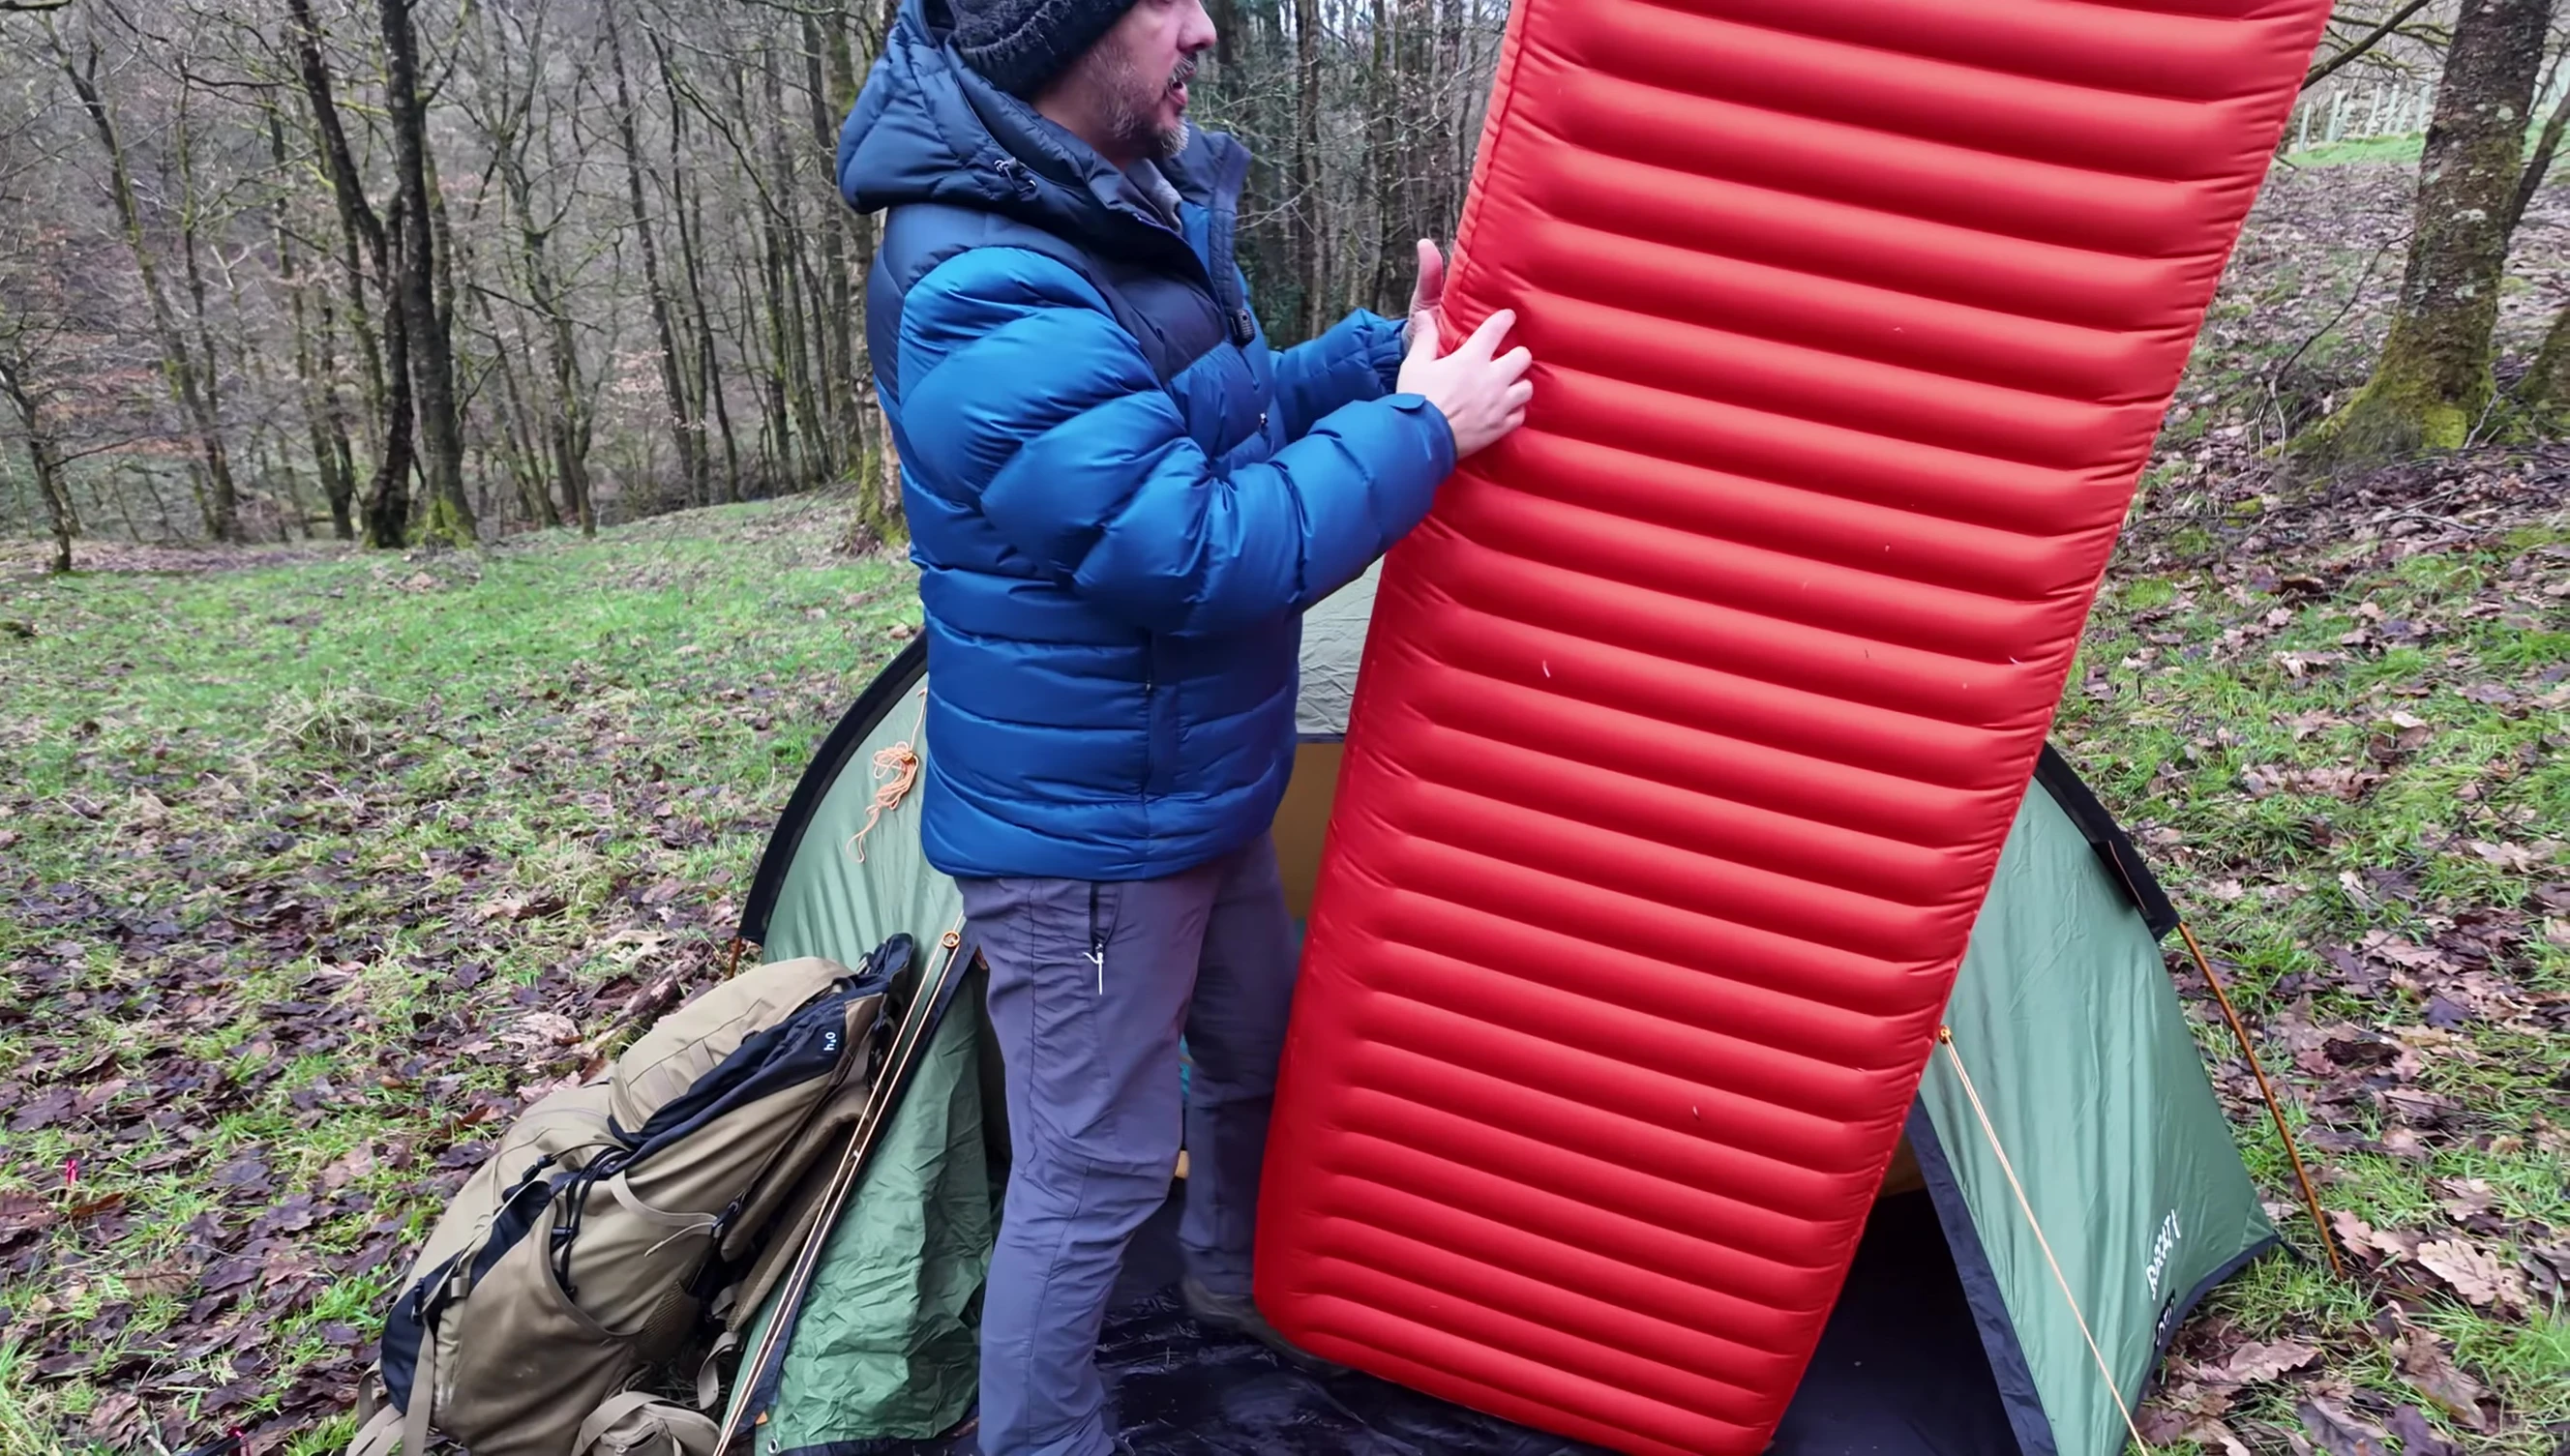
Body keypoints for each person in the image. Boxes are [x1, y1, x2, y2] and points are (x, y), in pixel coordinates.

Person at [835, 1, 1533, 1452]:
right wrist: (1423, 434)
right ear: (1062, 36)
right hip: (1086, 841)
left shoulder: (1094, 212)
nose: (1204, 29)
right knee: (1089, 1180)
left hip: (1191, 797)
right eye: (1162, 0)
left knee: (1261, 1056)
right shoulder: (978, 277)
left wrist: (1372, 364)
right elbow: (1191, 545)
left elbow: (1203, 420)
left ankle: (1231, 1280)